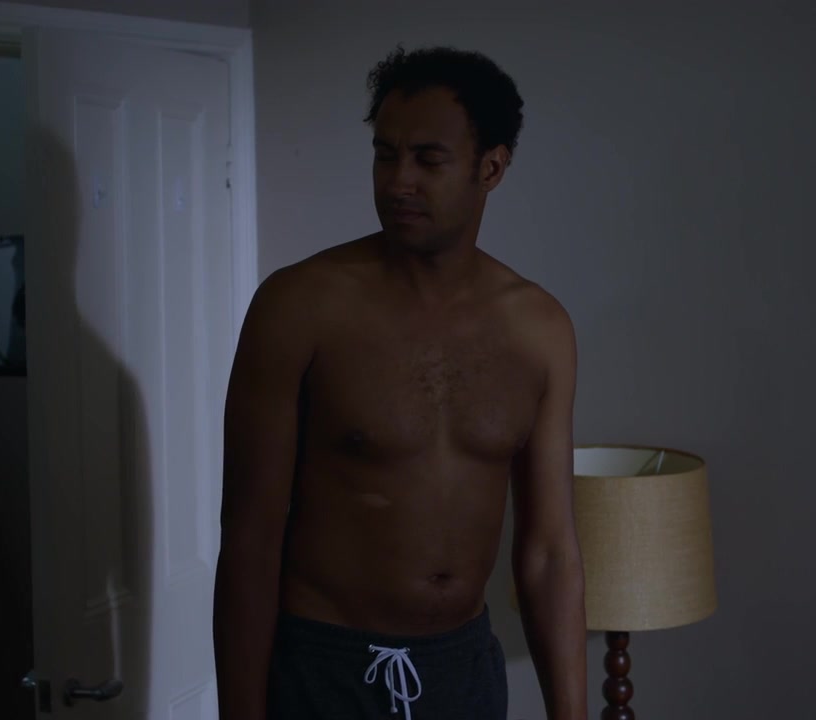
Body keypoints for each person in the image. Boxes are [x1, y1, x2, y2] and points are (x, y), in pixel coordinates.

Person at [213, 45, 587, 720]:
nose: (398, 181)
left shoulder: (540, 330)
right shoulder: (300, 306)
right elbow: (249, 539)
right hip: (325, 669)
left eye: (427, 159)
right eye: (385, 155)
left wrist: (571, 713)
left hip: (462, 671)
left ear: (491, 167)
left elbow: (550, 552)